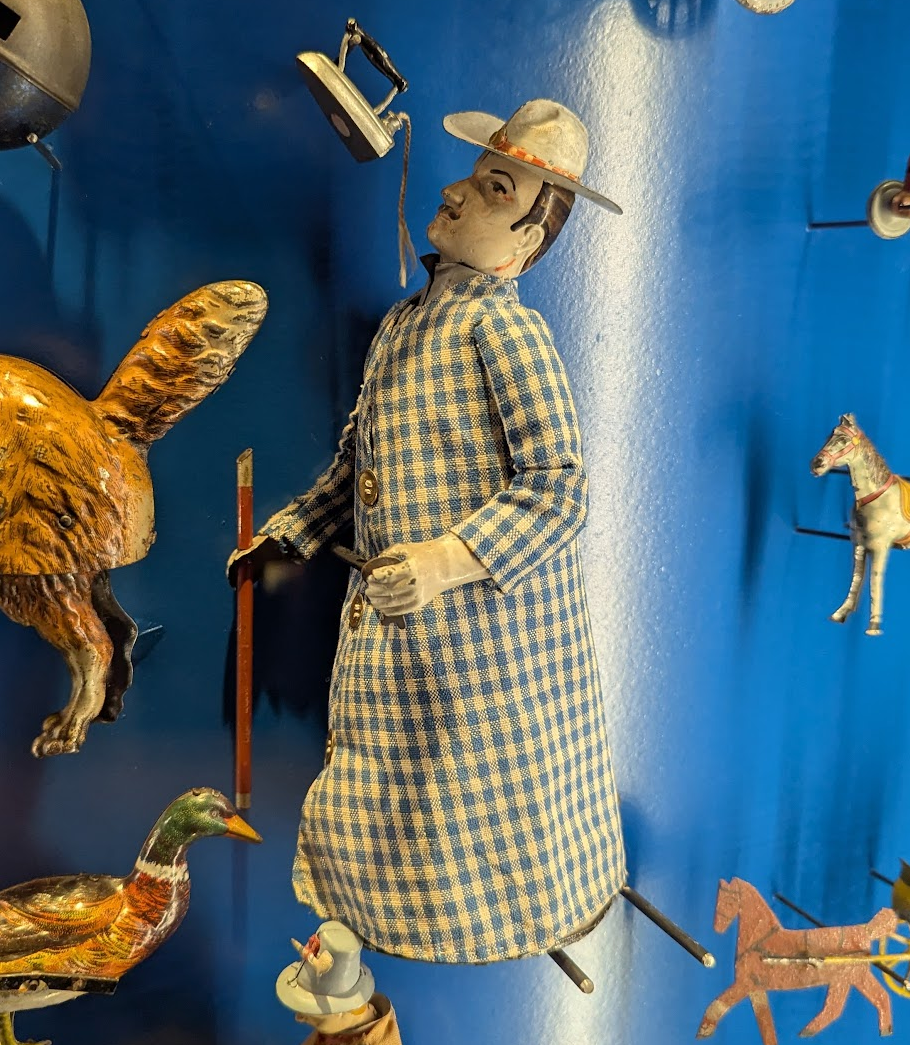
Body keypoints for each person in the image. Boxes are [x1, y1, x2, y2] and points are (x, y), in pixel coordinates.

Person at [232, 99, 626, 964]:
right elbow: (358, 460)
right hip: (402, 636)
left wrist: (447, 561)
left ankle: (528, 915)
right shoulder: (404, 326)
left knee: (498, 810)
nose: (457, 192)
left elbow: (560, 486)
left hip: (486, 645)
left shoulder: (507, 328)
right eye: (478, 175)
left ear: (526, 239)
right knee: (399, 799)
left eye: (496, 189)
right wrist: (292, 533)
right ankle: (392, 927)